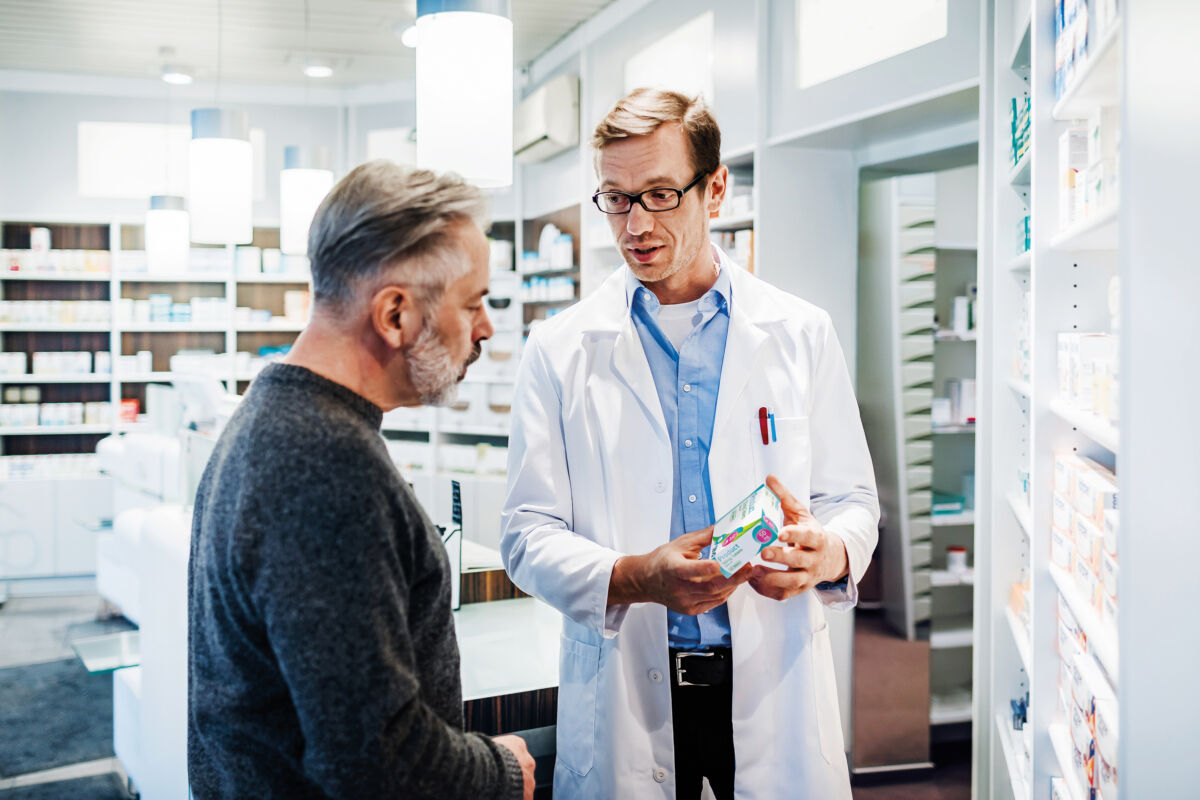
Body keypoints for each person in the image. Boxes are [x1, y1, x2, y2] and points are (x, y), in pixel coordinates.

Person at [500, 89, 879, 799]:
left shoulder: (800, 333)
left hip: (773, 679)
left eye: (660, 195)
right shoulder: (558, 350)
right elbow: (524, 532)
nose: (635, 224)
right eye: (616, 199)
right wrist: (636, 576)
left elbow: (852, 499)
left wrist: (828, 552)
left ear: (715, 189)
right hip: (630, 690)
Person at [188, 161, 535, 800]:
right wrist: (501, 769)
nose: (486, 327)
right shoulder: (323, 467)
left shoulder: (279, 417)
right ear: (395, 314)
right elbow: (377, 761)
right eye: (474, 302)